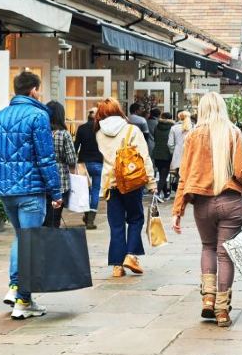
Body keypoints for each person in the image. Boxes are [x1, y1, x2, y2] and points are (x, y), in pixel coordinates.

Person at [0, 71, 61, 319]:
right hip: (31, 191)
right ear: (34, 90)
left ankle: (15, 287)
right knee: (28, 242)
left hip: (7, 192)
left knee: (21, 238)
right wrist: (55, 191)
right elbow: (46, 157)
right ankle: (23, 300)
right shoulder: (38, 116)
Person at [172, 92, 242, 328]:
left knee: (208, 247)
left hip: (203, 203)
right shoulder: (233, 132)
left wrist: (178, 209)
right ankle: (222, 310)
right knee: (225, 254)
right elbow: (241, 172)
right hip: (230, 202)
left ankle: (207, 298)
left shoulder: (193, 136)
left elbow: (184, 176)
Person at [96, 98, 155, 278]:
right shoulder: (131, 129)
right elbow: (143, 157)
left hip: (110, 183)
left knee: (116, 224)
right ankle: (130, 255)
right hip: (131, 182)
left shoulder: (99, 133)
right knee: (136, 218)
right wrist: (151, 182)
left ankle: (117, 265)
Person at [44, 101, 77, 228]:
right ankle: (53, 243)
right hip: (61, 180)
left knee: (44, 215)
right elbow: (71, 159)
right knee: (55, 217)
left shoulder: (41, 132)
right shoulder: (64, 134)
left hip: (43, 179)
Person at [74, 108, 103, 229]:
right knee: (95, 190)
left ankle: (86, 216)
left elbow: (76, 146)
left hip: (83, 163)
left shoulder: (81, 128)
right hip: (98, 162)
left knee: (85, 191)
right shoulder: (101, 129)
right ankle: (90, 219)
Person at [152, 111, 175, 198]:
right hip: (167, 154)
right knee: (163, 175)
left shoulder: (156, 126)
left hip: (157, 154)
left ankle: (166, 193)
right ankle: (157, 193)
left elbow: (155, 138)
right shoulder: (172, 128)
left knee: (162, 174)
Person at [168, 110, 192, 193]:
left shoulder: (174, 128)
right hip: (190, 153)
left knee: (179, 174)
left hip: (178, 153)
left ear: (179, 117)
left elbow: (170, 144)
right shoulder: (193, 128)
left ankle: (179, 192)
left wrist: (173, 152)